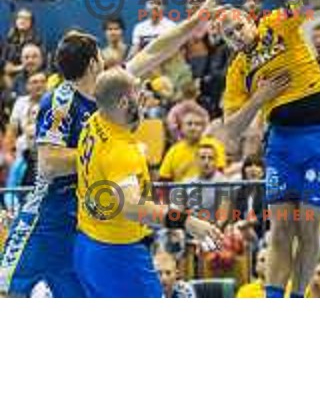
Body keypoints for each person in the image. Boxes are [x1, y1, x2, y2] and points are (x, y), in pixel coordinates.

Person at [0, 0, 234, 297]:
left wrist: (200, 17)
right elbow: (49, 163)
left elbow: (155, 50)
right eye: (100, 52)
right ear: (94, 62)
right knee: (9, 288)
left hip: (87, 220)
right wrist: (95, 156)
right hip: (50, 215)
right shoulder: (60, 103)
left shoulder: (108, 88)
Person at [215, 0, 320, 300]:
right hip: (283, 148)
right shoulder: (238, 72)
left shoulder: (275, 23)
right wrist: (259, 98)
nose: (237, 35)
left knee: (308, 229)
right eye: (229, 35)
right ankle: (274, 299)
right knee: (282, 229)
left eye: (238, 27)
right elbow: (230, 130)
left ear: (250, 20)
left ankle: (298, 296)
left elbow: (301, 3)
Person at [74, 68, 222, 298]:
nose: (143, 95)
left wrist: (135, 114)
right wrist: (187, 221)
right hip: (118, 253)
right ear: (123, 102)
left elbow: (120, 127)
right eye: (136, 92)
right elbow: (133, 207)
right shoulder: (121, 151)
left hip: (88, 243)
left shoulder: (96, 121)